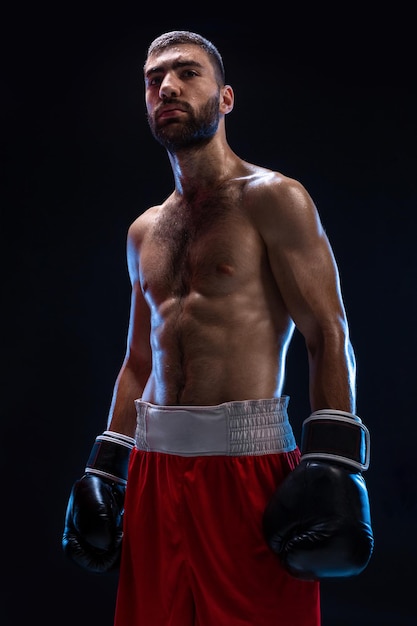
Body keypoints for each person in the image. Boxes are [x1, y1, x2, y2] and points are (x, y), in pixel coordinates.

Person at [63, 30, 373, 626]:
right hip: (153, 470)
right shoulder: (144, 231)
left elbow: (328, 332)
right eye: (154, 80)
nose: (167, 87)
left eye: (186, 73)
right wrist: (106, 467)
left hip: (245, 468)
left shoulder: (275, 198)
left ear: (225, 98)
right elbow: (138, 362)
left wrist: (333, 462)